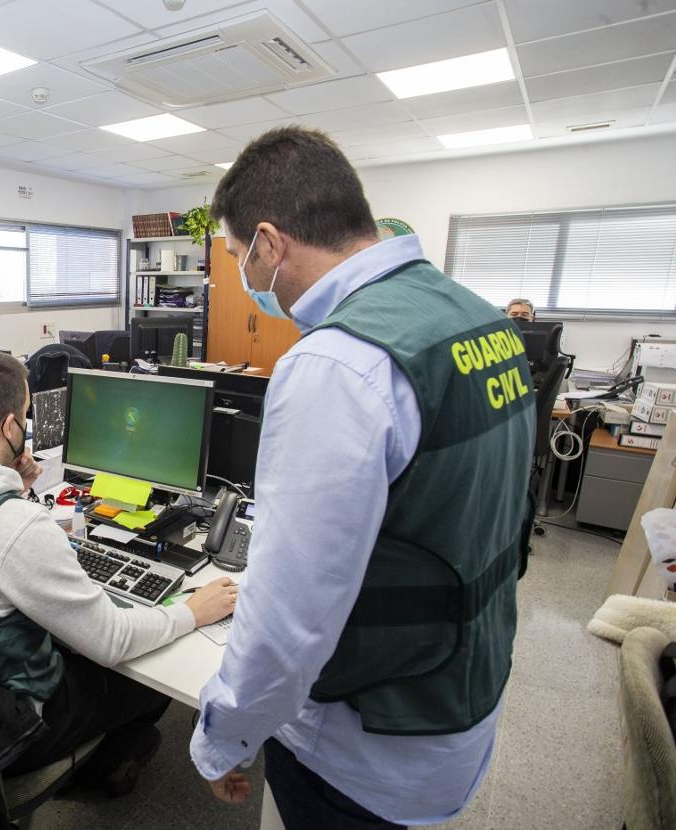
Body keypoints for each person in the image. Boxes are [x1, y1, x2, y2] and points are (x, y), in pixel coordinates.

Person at [191, 126, 535, 828]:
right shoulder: (477, 318)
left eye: (235, 258)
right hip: (456, 690)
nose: (242, 279)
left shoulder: (338, 362)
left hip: (367, 742)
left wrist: (224, 737)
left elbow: (291, 613)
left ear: (268, 242)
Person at [0, 350, 237, 796]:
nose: (26, 425)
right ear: (9, 426)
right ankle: (93, 776)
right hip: (8, 721)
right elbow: (112, 640)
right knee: (147, 678)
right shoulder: (13, 528)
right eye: (25, 415)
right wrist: (193, 611)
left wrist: (12, 486)